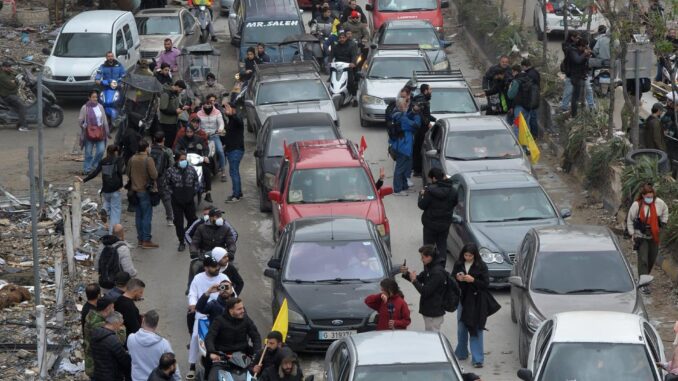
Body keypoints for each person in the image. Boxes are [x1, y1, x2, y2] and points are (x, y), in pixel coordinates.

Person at [187, 255, 231, 379]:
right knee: (196, 336)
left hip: (220, 313)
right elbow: (192, 294)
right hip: (203, 313)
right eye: (213, 267)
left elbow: (232, 293)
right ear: (206, 267)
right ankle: (192, 366)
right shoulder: (197, 278)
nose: (217, 268)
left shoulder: (224, 277)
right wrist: (192, 304)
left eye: (217, 266)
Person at [453, 243, 492, 369]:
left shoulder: (481, 266)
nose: (467, 258)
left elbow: (485, 284)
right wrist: (457, 278)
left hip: (476, 301)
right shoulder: (459, 264)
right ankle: (461, 352)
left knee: (476, 328)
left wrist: (473, 280)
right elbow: (452, 279)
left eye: (470, 255)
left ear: (475, 255)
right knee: (461, 326)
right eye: (465, 255)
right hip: (463, 299)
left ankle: (477, 359)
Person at [626, 183, 669, 294]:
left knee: (652, 258)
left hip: (654, 235)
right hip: (641, 236)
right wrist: (632, 234)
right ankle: (644, 284)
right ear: (643, 196)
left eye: (651, 196)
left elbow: (665, 211)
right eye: (648, 197)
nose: (650, 199)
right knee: (643, 259)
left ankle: (645, 277)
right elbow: (630, 220)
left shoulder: (659, 203)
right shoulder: (637, 205)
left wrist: (663, 223)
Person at [205, 298, 262, 379]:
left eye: (242, 307)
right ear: (231, 310)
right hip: (222, 358)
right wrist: (211, 352)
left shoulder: (246, 319)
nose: (243, 310)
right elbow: (209, 337)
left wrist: (257, 354)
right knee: (213, 378)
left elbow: (256, 337)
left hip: (244, 358)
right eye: (239, 309)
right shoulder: (219, 321)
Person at [79, 145, 124, 233]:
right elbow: (119, 173)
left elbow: (95, 173)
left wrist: (84, 180)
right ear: (115, 152)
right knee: (115, 212)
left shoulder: (103, 161)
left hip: (105, 189)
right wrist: (120, 185)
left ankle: (104, 208)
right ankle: (113, 233)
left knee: (107, 201)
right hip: (115, 189)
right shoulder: (118, 160)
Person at [401, 245, 446, 331]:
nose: (421, 259)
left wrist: (414, 281)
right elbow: (419, 278)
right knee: (429, 335)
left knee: (432, 337)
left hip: (434, 312)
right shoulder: (430, 267)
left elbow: (425, 291)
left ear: (429, 257)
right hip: (429, 310)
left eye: (423, 257)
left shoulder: (437, 273)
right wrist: (406, 273)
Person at [418, 167, 457, 266]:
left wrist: (421, 195)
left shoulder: (430, 191)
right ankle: (441, 268)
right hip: (444, 224)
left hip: (430, 224)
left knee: (428, 247)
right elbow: (454, 203)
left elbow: (422, 205)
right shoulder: (453, 191)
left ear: (434, 178)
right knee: (442, 245)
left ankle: (428, 268)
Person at [127, 311, 181, 381]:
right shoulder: (163, 344)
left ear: (143, 320)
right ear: (156, 325)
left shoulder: (131, 338)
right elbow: (173, 365)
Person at [84, 296, 127, 378]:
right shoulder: (100, 325)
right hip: (97, 366)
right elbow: (118, 342)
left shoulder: (92, 315)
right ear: (108, 308)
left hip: (93, 360)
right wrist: (121, 328)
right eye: (113, 307)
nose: (114, 310)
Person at [128, 140, 159, 248]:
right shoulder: (148, 159)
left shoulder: (132, 158)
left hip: (134, 191)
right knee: (146, 216)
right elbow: (154, 175)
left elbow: (127, 172)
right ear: (146, 148)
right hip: (145, 191)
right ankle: (146, 239)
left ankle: (140, 239)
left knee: (138, 216)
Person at [166, 151, 200, 251]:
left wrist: (192, 193)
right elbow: (166, 185)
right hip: (177, 202)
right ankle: (181, 241)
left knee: (193, 220)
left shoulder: (191, 169)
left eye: (185, 159)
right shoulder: (170, 171)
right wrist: (174, 194)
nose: (184, 161)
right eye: (181, 159)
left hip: (189, 200)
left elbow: (197, 183)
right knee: (179, 223)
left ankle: (189, 234)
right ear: (177, 160)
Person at [175, 117, 213, 202]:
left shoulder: (198, 139)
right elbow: (176, 148)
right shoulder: (181, 139)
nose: (189, 133)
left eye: (191, 132)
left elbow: (205, 148)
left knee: (207, 170)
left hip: (198, 160)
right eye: (187, 132)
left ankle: (208, 192)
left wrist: (205, 156)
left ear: (193, 131)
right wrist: (180, 154)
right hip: (186, 160)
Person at [389, 99, 421, 195]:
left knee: (403, 168)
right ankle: (397, 190)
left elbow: (408, 116)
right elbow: (416, 125)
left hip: (401, 146)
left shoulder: (399, 115)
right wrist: (418, 114)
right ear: (401, 106)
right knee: (400, 169)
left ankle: (403, 186)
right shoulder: (402, 118)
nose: (407, 105)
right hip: (403, 148)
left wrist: (413, 111)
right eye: (405, 104)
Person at [91, 311, 132, 381]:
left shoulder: (95, 334)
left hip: (97, 374)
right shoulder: (113, 341)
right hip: (111, 377)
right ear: (115, 323)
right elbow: (125, 361)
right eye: (120, 324)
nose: (120, 327)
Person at [79, 90, 110, 175]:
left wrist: (107, 131)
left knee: (101, 150)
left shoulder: (100, 107)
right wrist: (84, 126)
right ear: (89, 98)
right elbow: (80, 120)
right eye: (93, 97)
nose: (95, 99)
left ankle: (94, 165)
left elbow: (104, 120)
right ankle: (87, 169)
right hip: (89, 134)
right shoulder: (85, 108)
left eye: (96, 97)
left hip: (100, 132)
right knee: (88, 152)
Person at [197, 94, 227, 182]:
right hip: (203, 137)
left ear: (212, 105)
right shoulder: (199, 113)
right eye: (205, 105)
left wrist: (220, 129)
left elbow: (221, 123)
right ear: (203, 105)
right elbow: (197, 125)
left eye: (209, 104)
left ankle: (223, 172)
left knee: (220, 151)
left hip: (215, 136)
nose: (207, 106)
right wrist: (200, 131)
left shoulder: (217, 112)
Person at [150, 132, 175, 226]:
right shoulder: (167, 151)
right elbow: (171, 165)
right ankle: (170, 219)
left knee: (150, 197)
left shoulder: (149, 149)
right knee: (166, 198)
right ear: (164, 139)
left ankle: (149, 218)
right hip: (162, 177)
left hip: (150, 177)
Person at [222, 102, 245, 202]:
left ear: (233, 109)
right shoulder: (230, 120)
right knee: (234, 172)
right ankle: (238, 192)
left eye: (227, 108)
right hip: (231, 149)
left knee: (233, 172)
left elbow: (239, 121)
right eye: (224, 109)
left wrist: (232, 114)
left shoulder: (236, 119)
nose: (225, 110)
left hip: (235, 150)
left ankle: (236, 196)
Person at [412, 84, 436, 176]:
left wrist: (434, 119)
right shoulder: (421, 100)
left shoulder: (424, 99)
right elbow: (420, 114)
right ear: (425, 91)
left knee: (420, 148)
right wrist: (427, 123)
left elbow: (426, 114)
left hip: (423, 128)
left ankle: (418, 169)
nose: (431, 91)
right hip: (420, 129)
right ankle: (417, 170)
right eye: (430, 89)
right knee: (418, 149)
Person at [159, 80, 188, 150]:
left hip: (174, 122)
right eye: (180, 89)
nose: (181, 91)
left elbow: (175, 105)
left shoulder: (175, 94)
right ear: (176, 86)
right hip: (166, 123)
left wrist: (182, 107)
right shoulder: (166, 94)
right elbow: (163, 109)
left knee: (172, 141)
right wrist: (175, 112)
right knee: (168, 142)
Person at [0, 61, 28, 131]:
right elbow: (12, 86)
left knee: (24, 101)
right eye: (7, 67)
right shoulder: (2, 76)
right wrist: (16, 81)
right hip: (7, 96)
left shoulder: (9, 73)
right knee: (22, 106)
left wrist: (15, 79)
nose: (9, 68)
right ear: (3, 67)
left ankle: (19, 122)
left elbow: (17, 74)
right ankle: (23, 126)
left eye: (10, 66)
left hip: (12, 94)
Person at [330, 31, 357, 103]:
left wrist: (353, 63)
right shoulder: (335, 47)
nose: (342, 39)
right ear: (338, 39)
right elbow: (331, 55)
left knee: (350, 82)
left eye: (343, 38)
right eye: (340, 38)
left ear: (346, 38)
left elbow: (354, 56)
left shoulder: (351, 46)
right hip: (337, 67)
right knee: (332, 80)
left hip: (347, 67)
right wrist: (329, 62)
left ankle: (354, 97)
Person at [507, 64, 535, 132]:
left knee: (517, 125)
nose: (512, 74)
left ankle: (517, 141)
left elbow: (510, 95)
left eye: (512, 72)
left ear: (515, 71)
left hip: (519, 107)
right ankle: (527, 142)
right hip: (528, 106)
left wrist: (509, 88)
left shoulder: (516, 81)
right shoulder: (528, 79)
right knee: (526, 125)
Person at [520, 59, 541, 138]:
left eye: (522, 67)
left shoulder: (529, 75)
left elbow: (527, 87)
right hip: (535, 99)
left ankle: (533, 135)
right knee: (533, 117)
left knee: (530, 118)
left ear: (524, 66)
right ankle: (534, 135)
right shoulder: (535, 72)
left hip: (531, 100)